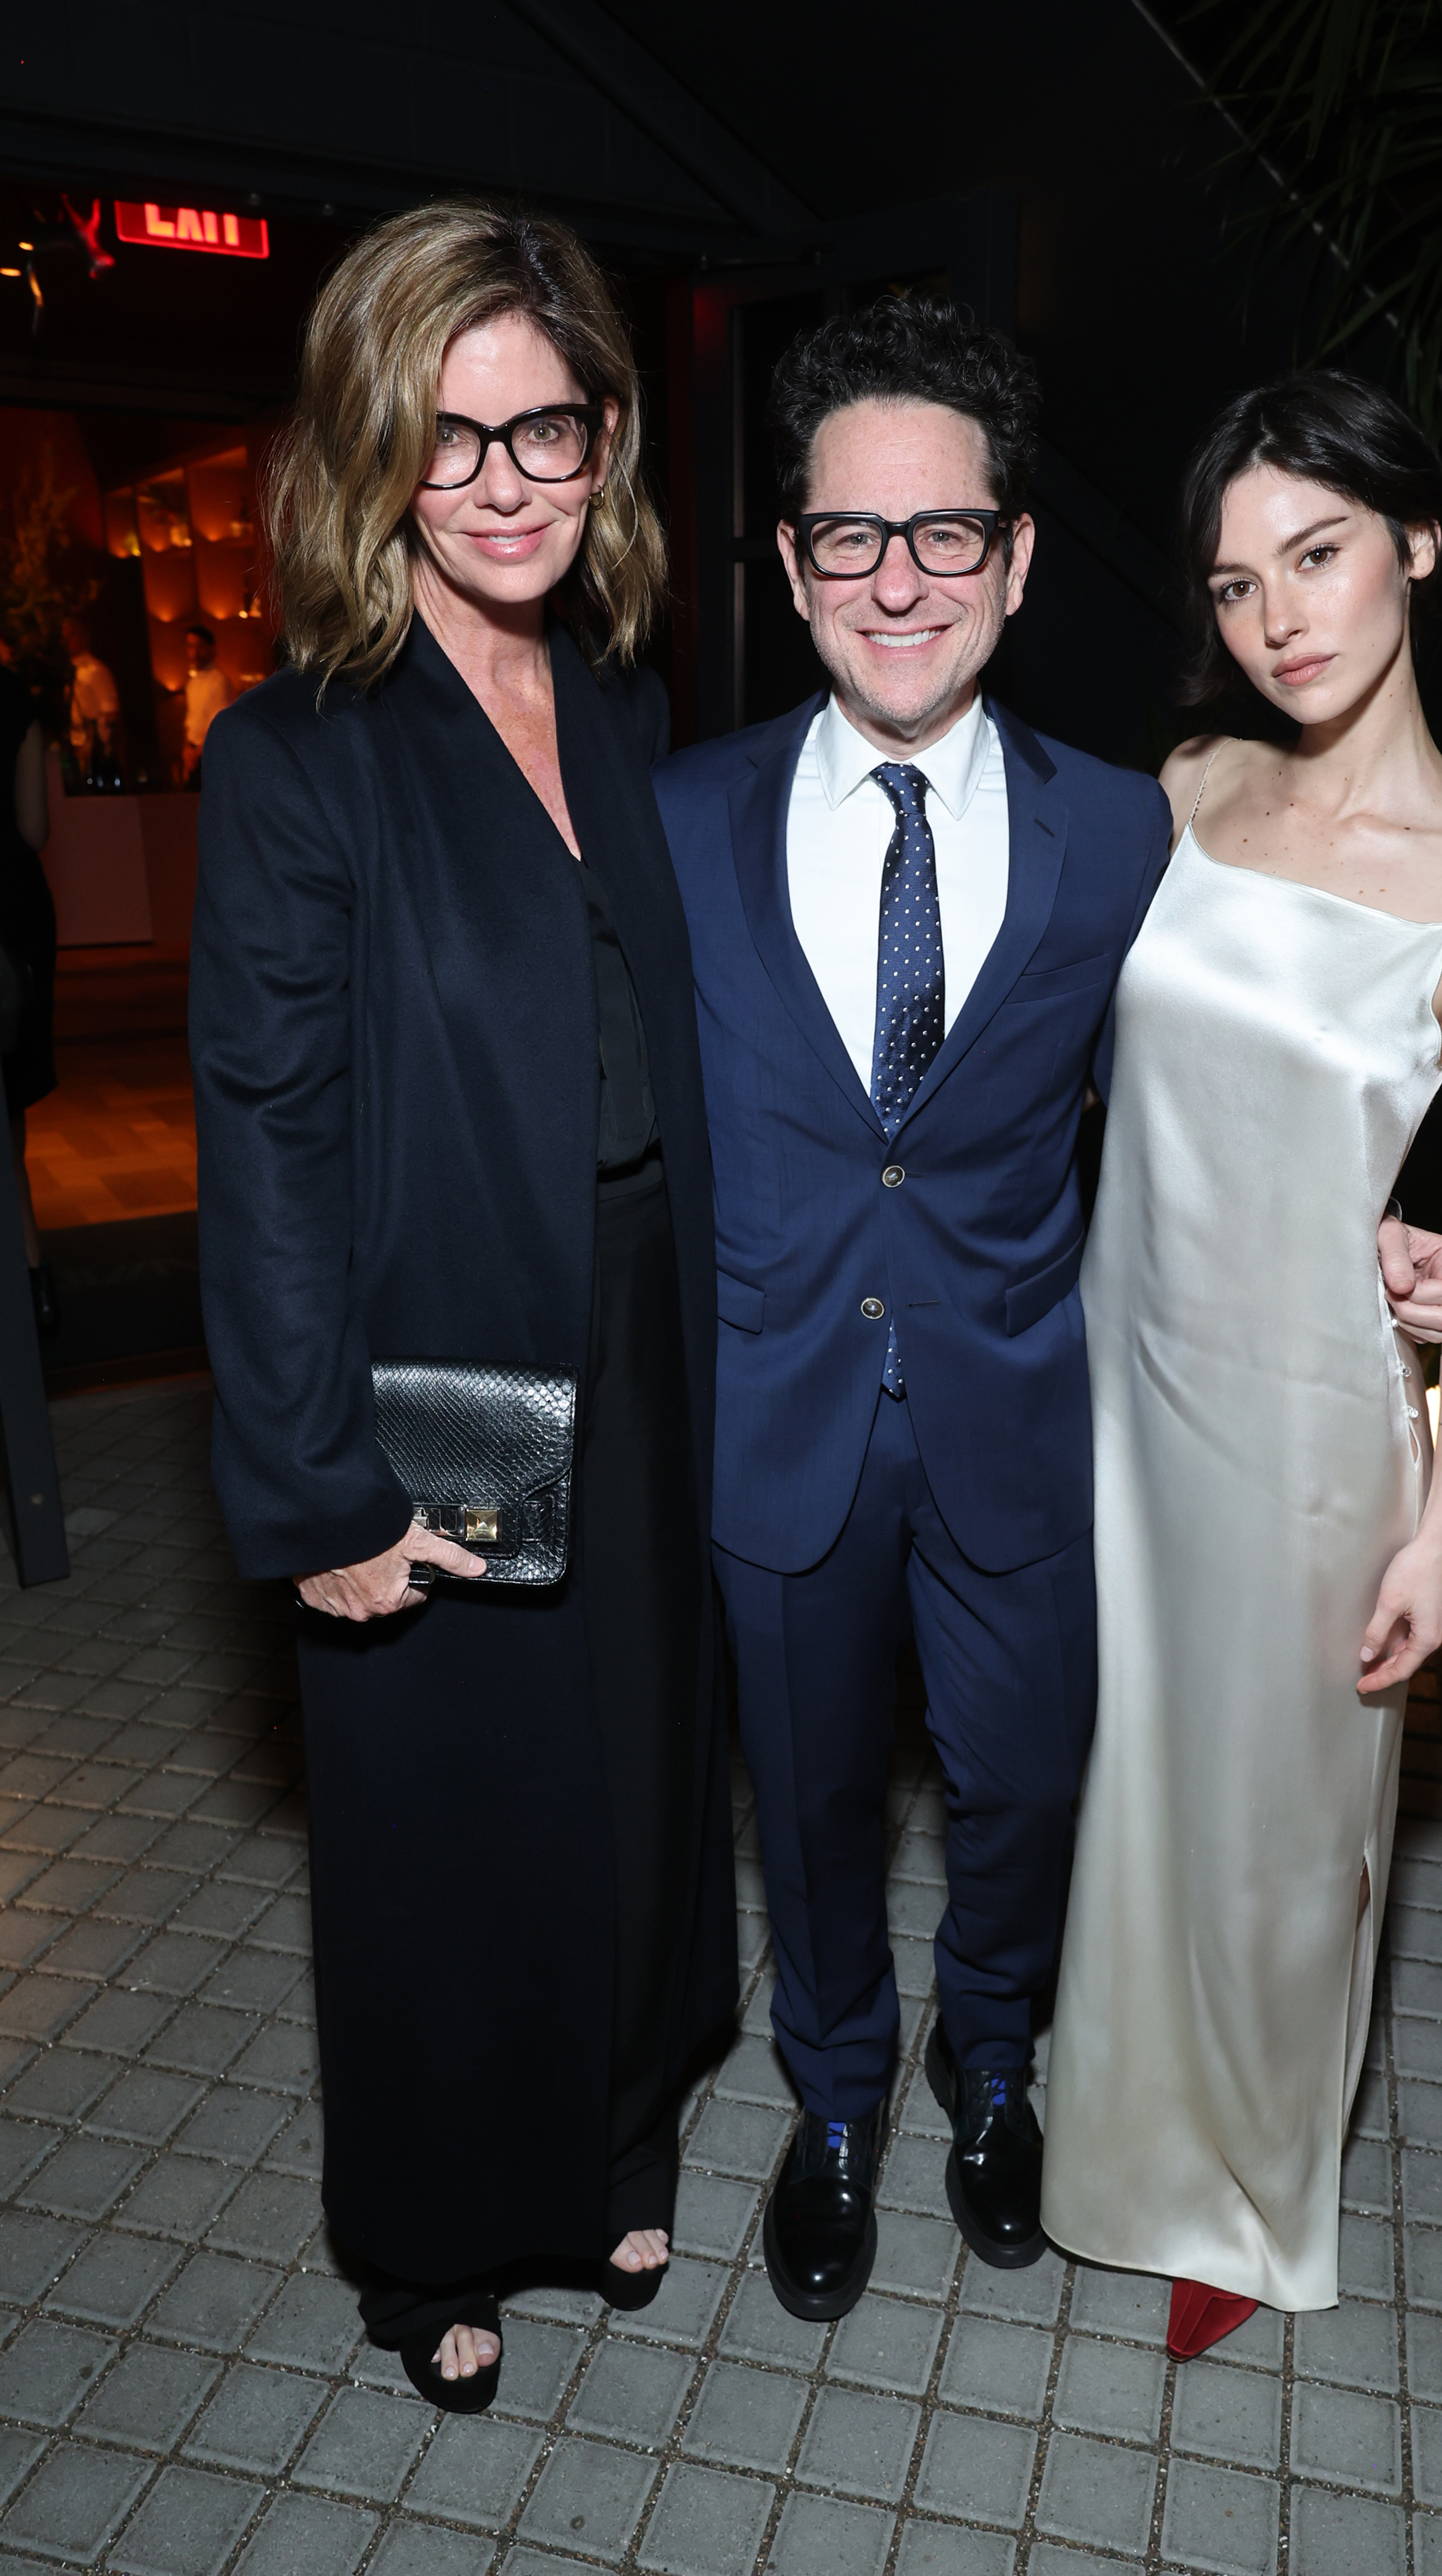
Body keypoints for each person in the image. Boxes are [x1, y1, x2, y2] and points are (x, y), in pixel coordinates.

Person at [652, 305, 1442, 2322]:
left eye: (945, 537)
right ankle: (834, 2091)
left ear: (1017, 564)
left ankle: (985, 2057)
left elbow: (1250, 1056)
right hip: (774, 1423)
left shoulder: (1128, 829)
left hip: (1028, 1416)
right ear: (787, 564)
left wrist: (1377, 1233)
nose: (895, 581)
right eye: (849, 537)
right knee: (815, 1801)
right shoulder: (679, 828)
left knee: (1022, 1784)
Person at [190, 200, 735, 2411]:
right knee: (446, 1826)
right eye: (456, 439)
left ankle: (610, 2126)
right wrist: (312, 1474)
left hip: (641, 1316)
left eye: (554, 429)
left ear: (608, 435)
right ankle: (435, 2243)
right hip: (434, 1361)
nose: (514, 483)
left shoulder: (611, 691)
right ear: (373, 455)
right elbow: (269, 1145)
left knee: (626, 1775)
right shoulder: (301, 752)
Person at [1042, 371, 1442, 2354]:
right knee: (1117, 1772)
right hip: (1121, 1368)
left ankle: (1238, 2191)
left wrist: (1440, 1525)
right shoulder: (1189, 791)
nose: (1280, 614)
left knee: (1282, 1824)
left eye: (1322, 552)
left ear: (1419, 543)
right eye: (1238, 579)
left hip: (1306, 1419)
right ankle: (1098, 2119)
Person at [0, 661, 58, 1333]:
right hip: (11, 920)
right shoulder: (12, 694)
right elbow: (35, 828)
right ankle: (36, 1282)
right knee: (9, 1117)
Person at [61, 617, 122, 785]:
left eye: (71, 635)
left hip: (94, 747)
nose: (65, 641)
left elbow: (111, 712)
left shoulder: (96, 671)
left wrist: (95, 743)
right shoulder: (67, 672)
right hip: (72, 746)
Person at [178, 623, 232, 785]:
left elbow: (218, 723)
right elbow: (191, 722)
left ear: (211, 648)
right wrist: (187, 750)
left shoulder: (220, 682)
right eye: (190, 646)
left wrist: (197, 753)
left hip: (212, 755)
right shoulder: (192, 684)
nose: (195, 653)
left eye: (200, 646)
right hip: (195, 756)